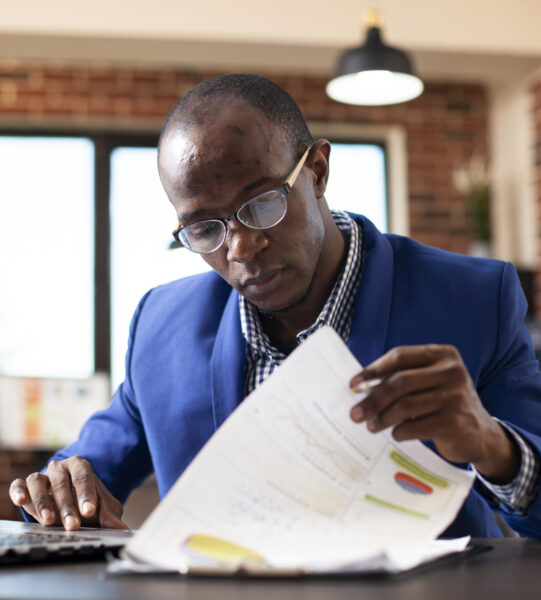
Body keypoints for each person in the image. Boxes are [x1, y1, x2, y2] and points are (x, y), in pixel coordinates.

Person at [9, 74, 541, 538]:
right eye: (203, 228)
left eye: (262, 203)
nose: (240, 248)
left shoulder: (474, 300)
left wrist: (494, 448)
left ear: (317, 171)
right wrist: (58, 492)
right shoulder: (161, 328)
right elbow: (78, 482)